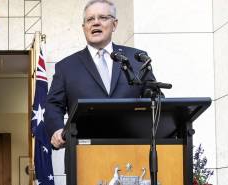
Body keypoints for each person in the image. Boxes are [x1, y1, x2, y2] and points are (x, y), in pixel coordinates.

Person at [45, 0, 152, 149]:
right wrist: (57, 130)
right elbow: (53, 105)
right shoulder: (66, 67)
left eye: (102, 17)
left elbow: (155, 99)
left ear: (114, 24)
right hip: (82, 154)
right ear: (84, 28)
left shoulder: (136, 59)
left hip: (133, 150)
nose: (96, 23)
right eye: (90, 19)